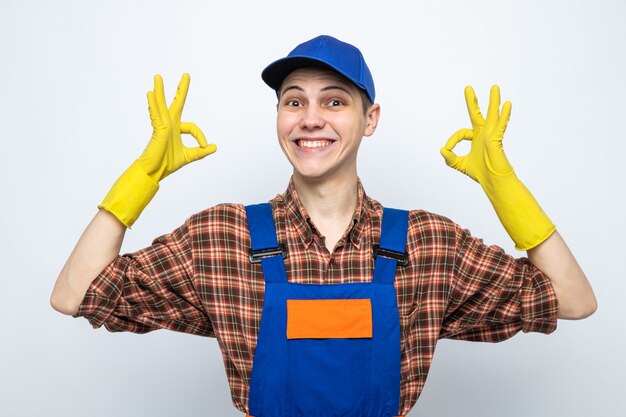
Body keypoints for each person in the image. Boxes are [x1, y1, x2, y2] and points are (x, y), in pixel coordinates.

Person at [51, 35, 596, 417]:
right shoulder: (220, 238)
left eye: (334, 101)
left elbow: (573, 300)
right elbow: (74, 295)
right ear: (280, 119)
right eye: (294, 101)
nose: (310, 119)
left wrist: (507, 192)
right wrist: (136, 184)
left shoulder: (428, 244)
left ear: (370, 119)